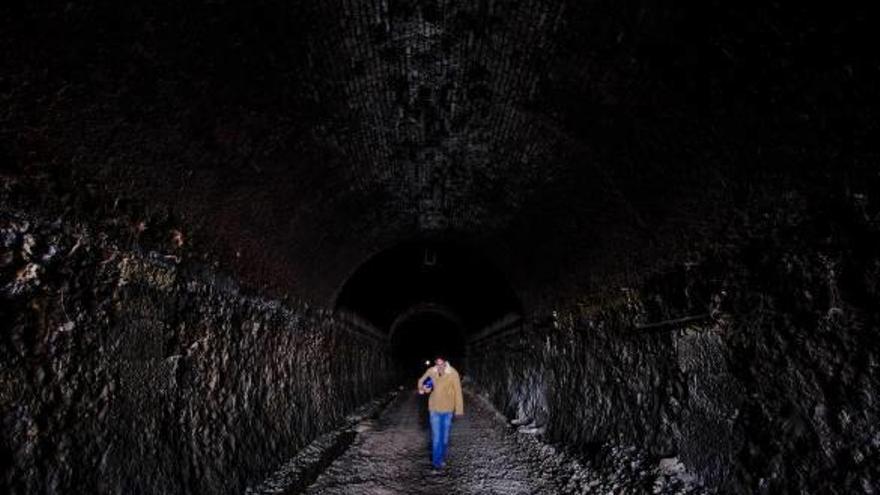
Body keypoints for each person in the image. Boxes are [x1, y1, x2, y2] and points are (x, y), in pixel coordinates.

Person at [416, 357, 464, 471]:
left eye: (442, 364)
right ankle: (436, 463)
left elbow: (458, 391)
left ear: (446, 363)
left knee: (445, 438)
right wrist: (422, 389)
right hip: (434, 409)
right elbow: (421, 381)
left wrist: (459, 409)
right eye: (437, 364)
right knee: (437, 437)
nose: (440, 366)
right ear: (435, 364)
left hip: (448, 410)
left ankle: (441, 459)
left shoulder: (453, 373)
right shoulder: (432, 371)